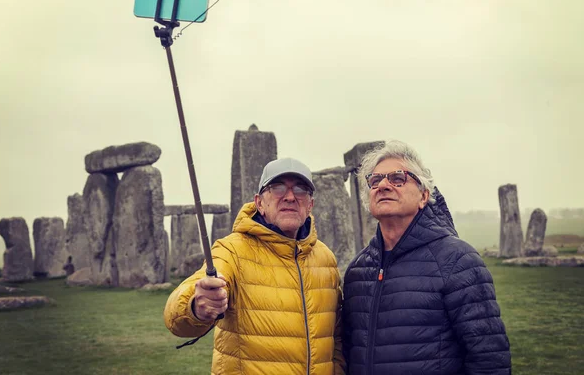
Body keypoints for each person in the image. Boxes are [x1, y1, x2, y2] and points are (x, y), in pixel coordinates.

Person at [342, 140, 511, 375]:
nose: (383, 185)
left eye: (398, 178)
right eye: (375, 180)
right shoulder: (357, 271)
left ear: (424, 195)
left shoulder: (458, 261)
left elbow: (489, 359)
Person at [164, 157, 345, 375]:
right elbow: (176, 317)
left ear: (310, 204)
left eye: (300, 189)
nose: (290, 197)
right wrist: (195, 305)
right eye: (277, 188)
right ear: (259, 202)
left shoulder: (325, 259)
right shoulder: (231, 251)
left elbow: (336, 334)